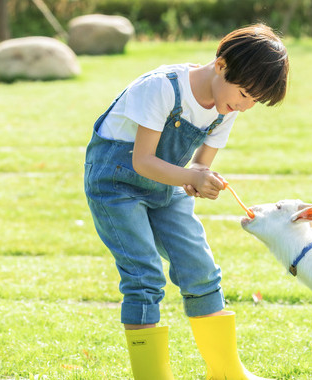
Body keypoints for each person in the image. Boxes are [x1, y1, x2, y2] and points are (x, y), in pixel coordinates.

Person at [84, 24, 288, 380]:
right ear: (222, 65)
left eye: (254, 101)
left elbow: (198, 166)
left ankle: (226, 373)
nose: (245, 105)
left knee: (201, 271)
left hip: (166, 187)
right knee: (144, 278)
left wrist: (201, 180)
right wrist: (192, 178)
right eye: (244, 93)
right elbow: (142, 161)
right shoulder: (162, 88)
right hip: (116, 186)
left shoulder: (227, 108)